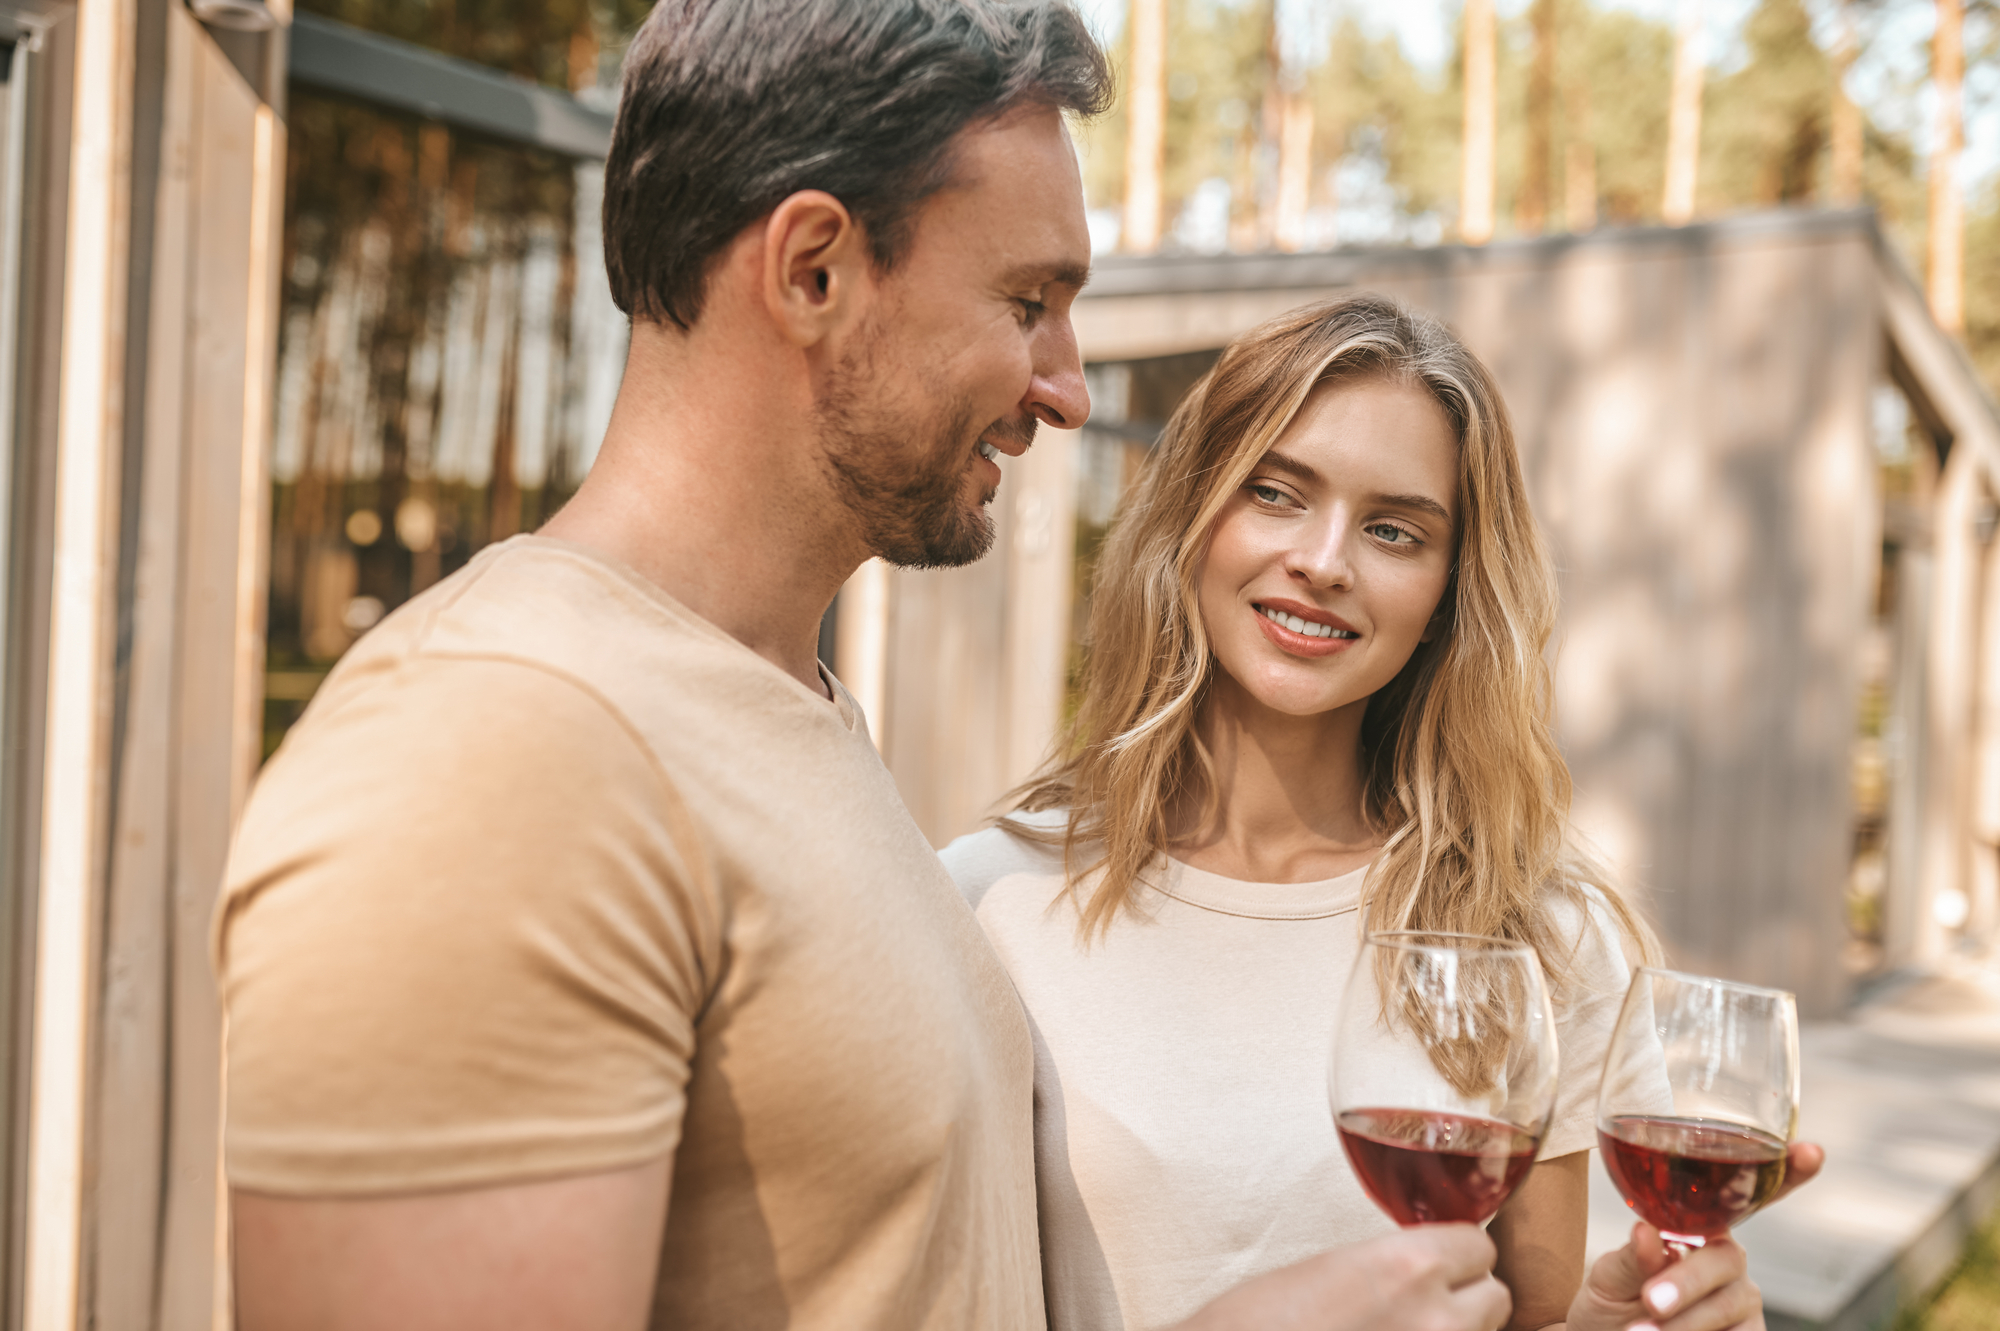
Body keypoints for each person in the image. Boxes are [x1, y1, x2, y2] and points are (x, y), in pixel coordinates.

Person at [215, 4, 1520, 1330]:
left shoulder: (778, 710)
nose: (1064, 388)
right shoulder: (491, 761)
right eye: (1028, 302)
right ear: (815, 270)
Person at [942, 294, 1824, 1331]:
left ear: (1445, 592)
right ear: (1192, 513)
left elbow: (1535, 1319)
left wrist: (1628, 1317)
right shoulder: (988, 901)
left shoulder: (1530, 925)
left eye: (1393, 529)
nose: (1324, 559)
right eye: (1274, 493)